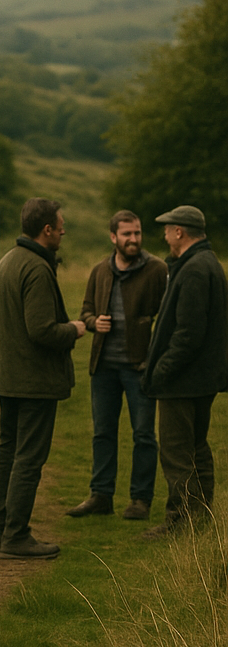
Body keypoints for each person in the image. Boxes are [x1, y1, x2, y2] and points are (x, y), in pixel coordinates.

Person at [0, 198, 86, 559]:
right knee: (28, 458)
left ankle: (1, 530)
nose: (64, 231)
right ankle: (16, 536)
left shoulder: (7, 261)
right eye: (60, 226)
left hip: (9, 377)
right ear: (47, 229)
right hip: (34, 381)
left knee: (8, 451)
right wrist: (74, 329)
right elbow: (42, 330)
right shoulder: (36, 268)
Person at [67, 211, 167, 521]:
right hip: (104, 368)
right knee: (103, 434)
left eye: (137, 233)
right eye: (127, 234)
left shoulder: (157, 270)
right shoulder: (100, 271)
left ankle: (140, 500)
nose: (133, 239)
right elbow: (85, 311)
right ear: (113, 237)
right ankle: (101, 496)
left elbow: (168, 316)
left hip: (140, 367)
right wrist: (93, 322)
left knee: (144, 435)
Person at [140, 205, 228, 538]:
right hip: (201, 379)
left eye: (167, 229)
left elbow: (188, 334)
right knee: (197, 447)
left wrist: (161, 370)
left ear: (180, 232)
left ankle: (181, 521)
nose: (164, 236)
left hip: (183, 381)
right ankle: (201, 516)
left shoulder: (194, 269)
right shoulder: (207, 262)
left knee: (177, 452)